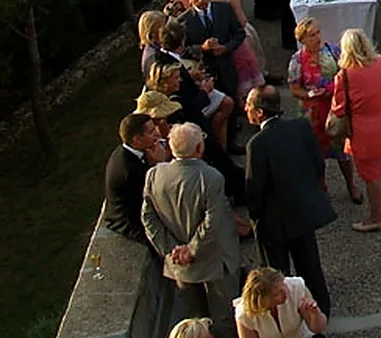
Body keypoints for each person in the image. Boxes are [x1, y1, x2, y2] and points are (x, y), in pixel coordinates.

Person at [142, 123, 244, 336]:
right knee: (224, 319)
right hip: (216, 259)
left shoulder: (154, 175)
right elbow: (212, 220)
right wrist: (191, 249)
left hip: (180, 263)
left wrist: (172, 249)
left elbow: (148, 217)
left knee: (193, 321)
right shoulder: (211, 177)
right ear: (200, 148)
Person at [242, 88, 335, 317]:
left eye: (249, 106)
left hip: (275, 221)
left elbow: (255, 187)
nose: (245, 109)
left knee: (277, 271)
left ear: (259, 112)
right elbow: (317, 163)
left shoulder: (257, 144)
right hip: (303, 209)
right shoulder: (300, 127)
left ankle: (286, 315)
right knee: (310, 265)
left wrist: (254, 216)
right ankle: (319, 309)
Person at [330, 28, 381, 232]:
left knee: (372, 175)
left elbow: (339, 109)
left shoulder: (344, 76)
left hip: (365, 133)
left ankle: (376, 217)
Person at [285, 18, 361, 204]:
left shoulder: (333, 52)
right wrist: (310, 94)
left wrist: (330, 89)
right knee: (316, 154)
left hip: (334, 108)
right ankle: (321, 188)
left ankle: (351, 184)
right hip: (312, 114)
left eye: (318, 32)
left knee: (342, 152)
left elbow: (346, 75)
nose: (317, 38)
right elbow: (294, 89)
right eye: (312, 35)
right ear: (303, 39)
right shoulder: (296, 61)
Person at [181, 0, 246, 112]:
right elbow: (181, 50)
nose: (201, 0)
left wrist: (226, 47)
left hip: (227, 67)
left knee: (231, 101)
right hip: (204, 72)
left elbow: (239, 33)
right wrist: (201, 48)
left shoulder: (224, 9)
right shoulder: (183, 21)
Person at [104, 112, 164, 250]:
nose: (157, 134)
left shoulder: (133, 152)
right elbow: (158, 192)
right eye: (151, 132)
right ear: (137, 140)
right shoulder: (129, 170)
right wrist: (160, 164)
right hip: (130, 222)